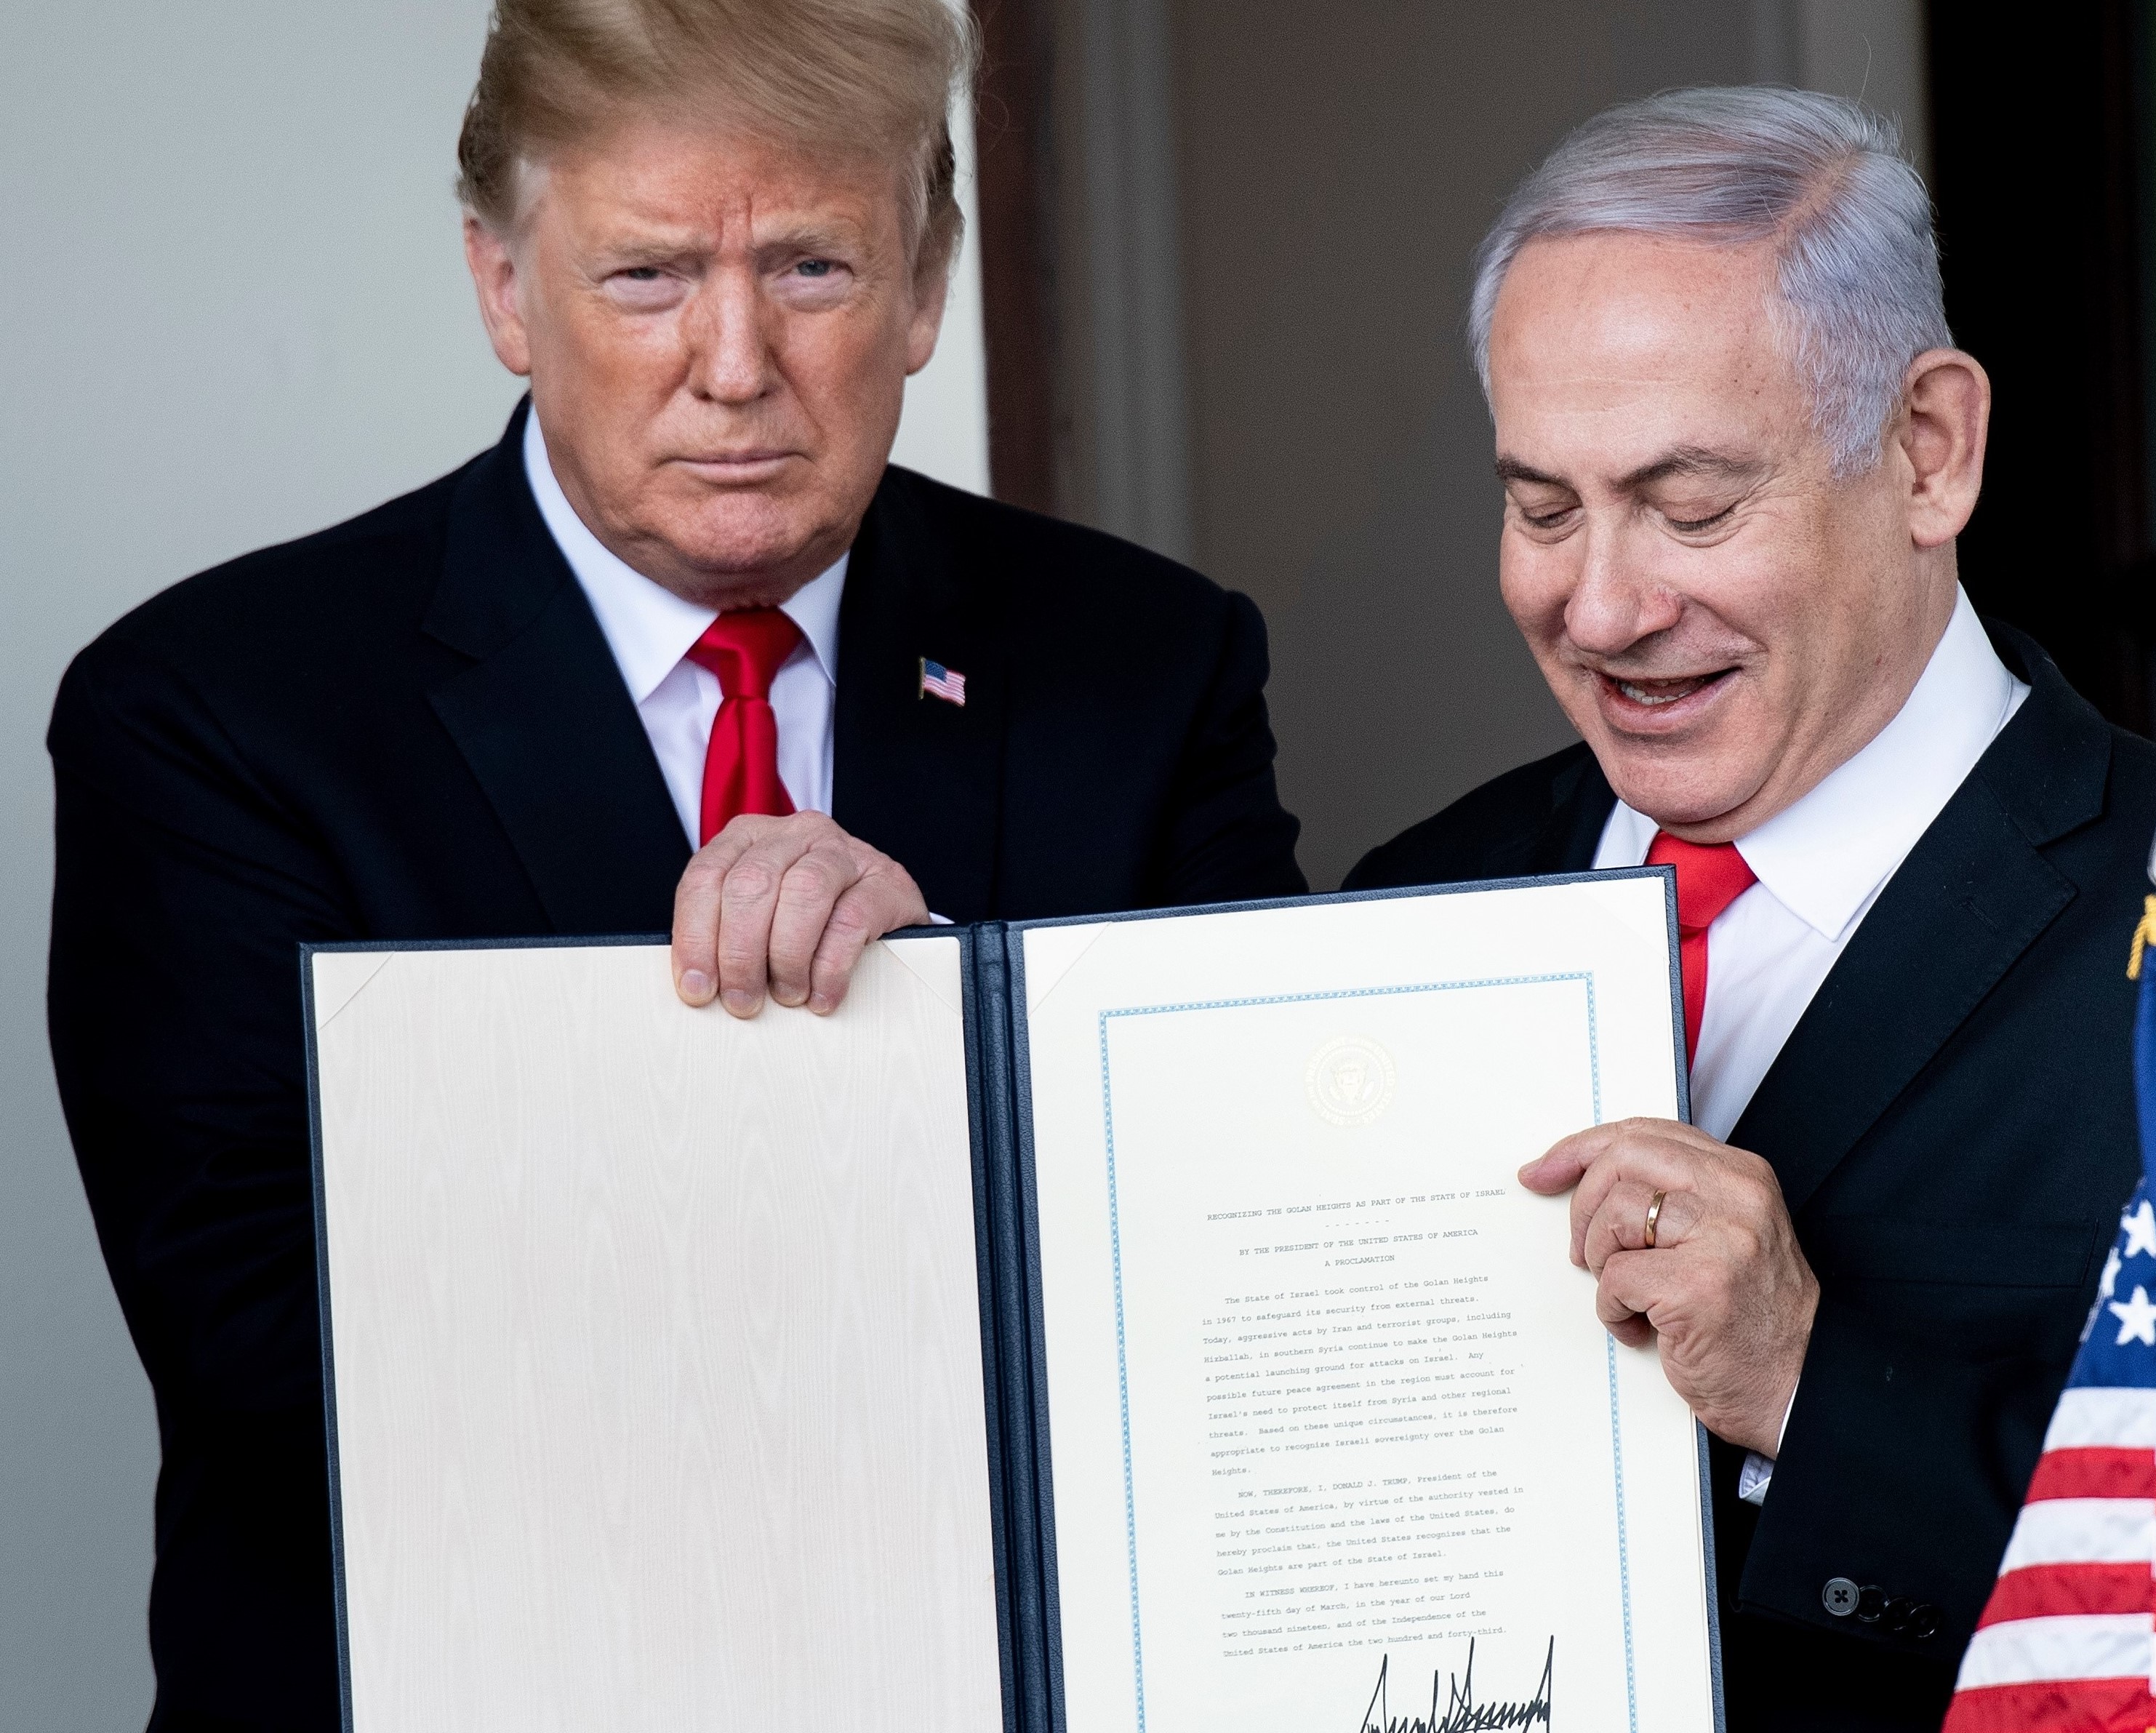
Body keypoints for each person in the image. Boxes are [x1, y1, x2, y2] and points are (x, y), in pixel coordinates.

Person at [47, 2, 1302, 1726]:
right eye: (645, 277)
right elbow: (278, 1357)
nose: (732, 364)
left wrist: (925, 980)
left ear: (926, 284)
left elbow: (1266, 1241)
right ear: (503, 287)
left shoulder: (1146, 665)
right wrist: (896, 1099)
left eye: (810, 269)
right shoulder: (213, 713)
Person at [1346, 87, 2156, 1729]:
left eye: (1689, 506)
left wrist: (1814, 1394)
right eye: (1542, 506)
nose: (1597, 603)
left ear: (1927, 450)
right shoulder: (1410, 904)